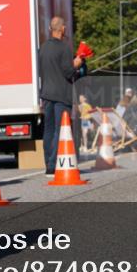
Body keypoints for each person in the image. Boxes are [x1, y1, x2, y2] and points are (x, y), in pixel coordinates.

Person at [38, 16, 84, 177]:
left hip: (46, 94)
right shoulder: (64, 48)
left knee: (48, 130)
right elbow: (68, 72)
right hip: (61, 95)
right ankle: (53, 165)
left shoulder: (42, 48)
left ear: (51, 29)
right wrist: (77, 65)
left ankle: (47, 165)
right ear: (62, 29)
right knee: (60, 129)